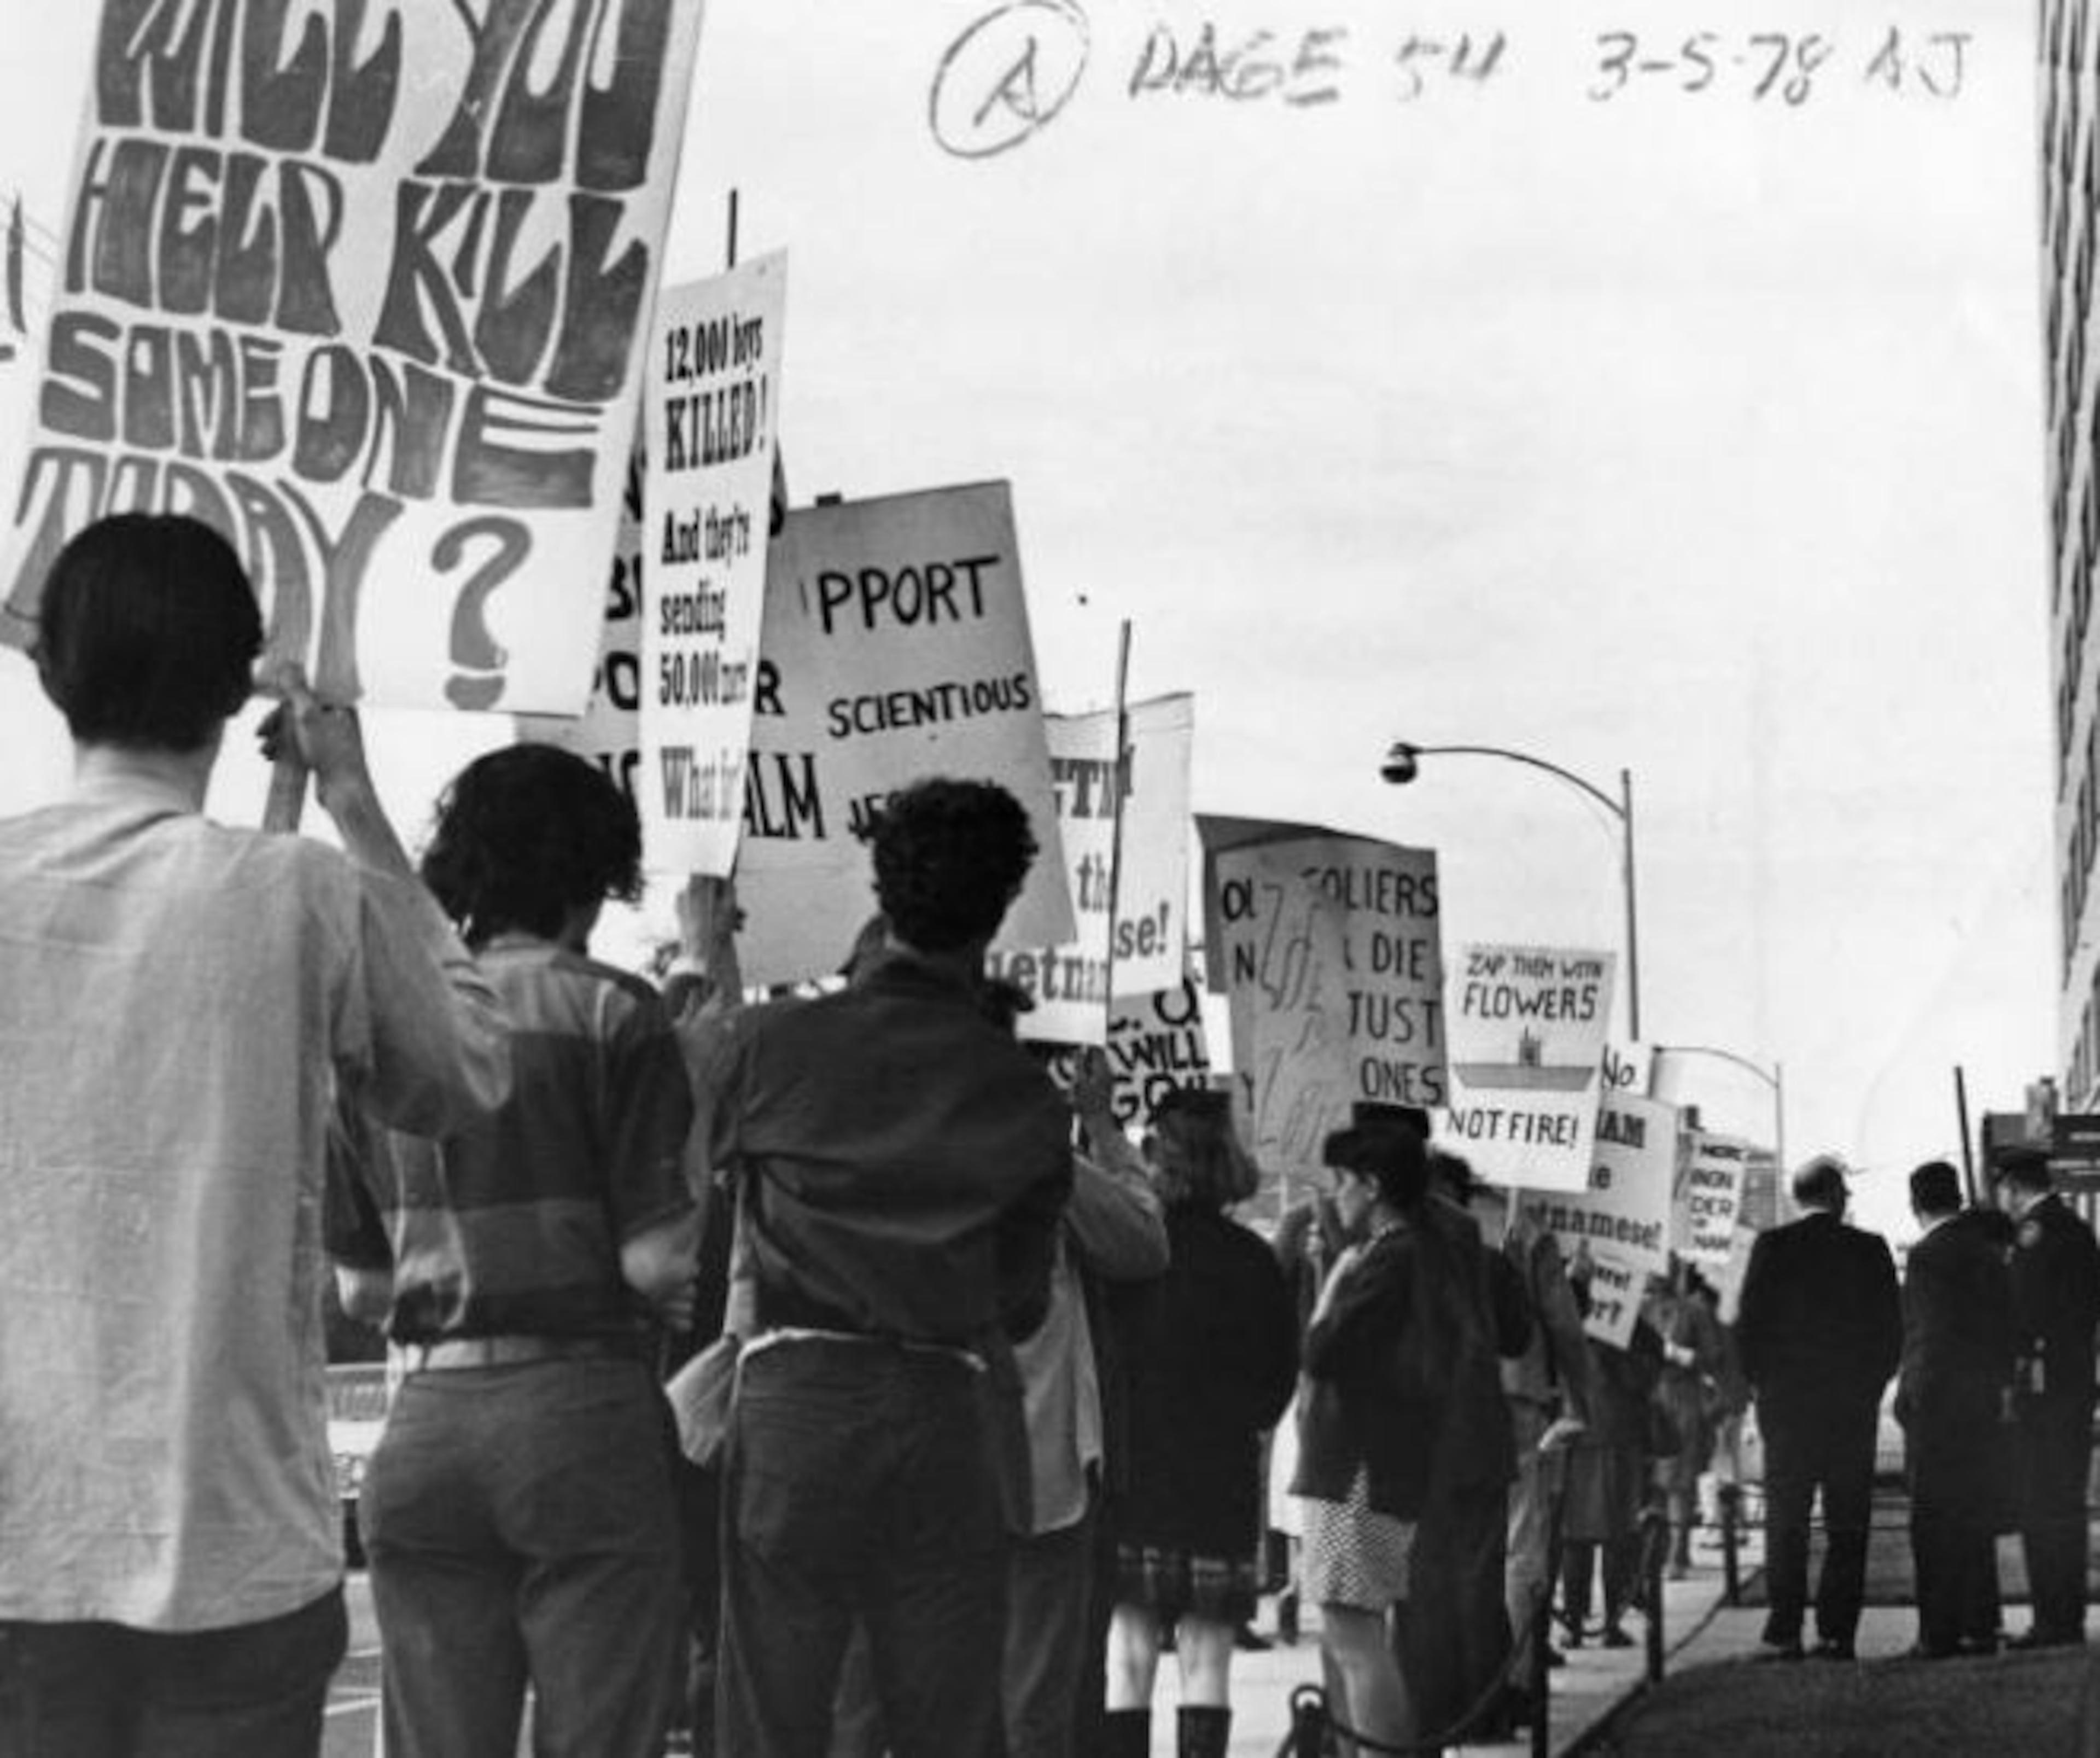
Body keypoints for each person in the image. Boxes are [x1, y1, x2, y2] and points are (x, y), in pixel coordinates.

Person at [0, 511, 510, 1757]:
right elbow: (460, 1073)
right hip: (233, 1552)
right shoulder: (299, 893)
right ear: (239, 680)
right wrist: (347, 794)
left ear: (52, 672)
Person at [326, 744, 700, 1757]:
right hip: (580, 1416)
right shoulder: (616, 1010)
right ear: (597, 869)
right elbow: (654, 1264)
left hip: (427, 1428)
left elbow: (360, 1287)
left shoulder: (382, 1030)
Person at [695, 777, 1074, 1758]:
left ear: (881, 889)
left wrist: (708, 955)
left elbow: (683, 1166)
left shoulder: (768, 1045)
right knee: (946, 1720)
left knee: (769, 1715)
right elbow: (1024, 1304)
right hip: (944, 1410)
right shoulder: (1026, 1097)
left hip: (796, 1403)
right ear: (998, 910)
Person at [1104, 1087, 1297, 1758]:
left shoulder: (1134, 1251)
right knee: (1207, 1655)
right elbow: (1278, 1380)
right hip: (1219, 1474)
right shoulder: (1254, 1259)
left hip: (1138, 1473)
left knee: (1127, 1650)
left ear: (1162, 1157)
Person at [1002, 1040, 1169, 1758]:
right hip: (1040, 1465)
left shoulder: (877, 1133)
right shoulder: (1033, 1154)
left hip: (912, 1454)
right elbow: (1141, 1237)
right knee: (1034, 1695)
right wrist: (1102, 1124)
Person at [1290, 1119, 1462, 1754]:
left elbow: (1322, 1348)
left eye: (1342, 1180)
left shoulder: (1387, 1258)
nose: (1336, 1194)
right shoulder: (1418, 1250)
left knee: (1354, 1636)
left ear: (1372, 1184)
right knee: (1360, 1633)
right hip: (1383, 1465)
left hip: (1358, 1467)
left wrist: (1332, 1281)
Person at [1734, 1154, 1901, 1661]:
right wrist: (1871, 1387)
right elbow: (1892, 1333)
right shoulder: (1869, 1249)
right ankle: (1837, 1631)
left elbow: (1748, 1330)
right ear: (1836, 1196)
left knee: (1786, 1519)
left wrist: (1765, 1388)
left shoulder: (1773, 1247)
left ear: (1796, 1197)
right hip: (1850, 1408)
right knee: (1848, 1523)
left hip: (1787, 1410)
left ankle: (1784, 1628)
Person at [1393, 1148, 1529, 1744]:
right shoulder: (1490, 1261)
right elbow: (1519, 1340)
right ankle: (1486, 1712)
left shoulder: (1393, 1257)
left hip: (1414, 1445)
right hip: (1477, 1440)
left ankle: (1433, 1712)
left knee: (1422, 1588)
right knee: (1479, 1578)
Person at [1475, 1181, 1591, 1729]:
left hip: (1451, 1400)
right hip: (1520, 1395)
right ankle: (1517, 1680)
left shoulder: (1431, 1215)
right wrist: (1580, 1396)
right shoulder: (1526, 1228)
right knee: (1521, 1544)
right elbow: (1563, 1322)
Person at [1896, 1159, 2015, 1658]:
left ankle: (1938, 1631)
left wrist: (1909, 1399)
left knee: (1933, 1522)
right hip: (1982, 1403)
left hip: (1938, 1405)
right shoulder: (1988, 1254)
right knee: (1976, 1517)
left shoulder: (1926, 1257)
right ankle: (1981, 1624)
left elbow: (1929, 1337)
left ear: (1917, 1204)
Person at [1995, 1144, 2100, 1648]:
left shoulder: (2035, 1236)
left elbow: (2023, 1314)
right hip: (2074, 1387)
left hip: (2042, 1390)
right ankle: (2066, 1615)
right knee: (2067, 1506)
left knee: (2041, 1505)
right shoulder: (2078, 1230)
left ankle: (2051, 1620)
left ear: (2014, 1188)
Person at [1556, 1302, 1664, 1651]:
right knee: (1611, 1536)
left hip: (1587, 1436)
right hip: (1607, 1437)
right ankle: (1599, 1624)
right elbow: (1647, 1373)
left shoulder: (1569, 1310)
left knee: (1585, 1538)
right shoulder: (1625, 1324)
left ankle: (1579, 1623)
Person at [1643, 1258, 1728, 1578]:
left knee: (1679, 1481)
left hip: (1683, 1399)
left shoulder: (1693, 1311)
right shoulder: (1641, 1309)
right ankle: (1657, 1552)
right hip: (1651, 1397)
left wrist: (1683, 1355)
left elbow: (1714, 1355)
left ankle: (1677, 1555)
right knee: (1654, 1484)